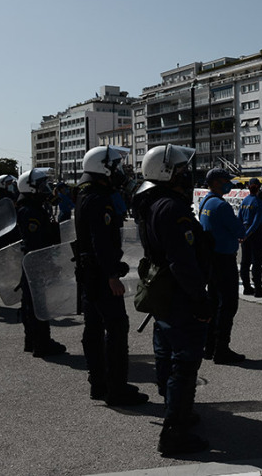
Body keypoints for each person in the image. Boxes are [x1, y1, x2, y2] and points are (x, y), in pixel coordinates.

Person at [135, 145, 211, 455]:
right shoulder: (172, 207)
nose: (187, 174)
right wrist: (200, 298)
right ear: (167, 173)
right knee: (185, 361)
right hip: (179, 293)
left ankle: (175, 410)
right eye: (181, 169)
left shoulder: (151, 203)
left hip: (163, 292)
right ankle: (174, 432)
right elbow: (182, 260)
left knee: (165, 353)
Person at [74, 145, 147, 406]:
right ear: (103, 168)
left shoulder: (85, 194)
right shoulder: (98, 199)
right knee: (116, 328)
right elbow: (101, 242)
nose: (120, 170)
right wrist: (112, 275)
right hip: (101, 274)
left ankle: (99, 384)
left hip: (89, 274)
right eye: (116, 165)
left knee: (93, 329)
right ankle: (117, 389)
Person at [16, 168, 66, 357]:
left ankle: (34, 341)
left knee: (33, 303)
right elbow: (37, 242)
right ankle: (41, 344)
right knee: (37, 305)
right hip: (36, 264)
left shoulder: (33, 208)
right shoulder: (30, 211)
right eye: (41, 185)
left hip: (34, 263)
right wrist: (50, 264)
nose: (45, 188)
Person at [198, 168, 246, 364]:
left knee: (213, 303)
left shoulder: (205, 202)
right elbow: (239, 229)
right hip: (224, 259)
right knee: (227, 305)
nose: (229, 184)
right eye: (226, 180)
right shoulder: (221, 206)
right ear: (217, 182)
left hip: (211, 259)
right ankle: (222, 349)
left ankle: (209, 346)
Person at [238, 178, 262, 298]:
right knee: (257, 261)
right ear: (258, 187)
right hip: (255, 234)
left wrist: (242, 234)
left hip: (244, 232)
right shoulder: (258, 202)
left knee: (245, 261)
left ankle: (247, 287)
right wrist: (248, 233)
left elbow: (239, 218)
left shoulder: (245, 201)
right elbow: (257, 222)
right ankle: (258, 288)